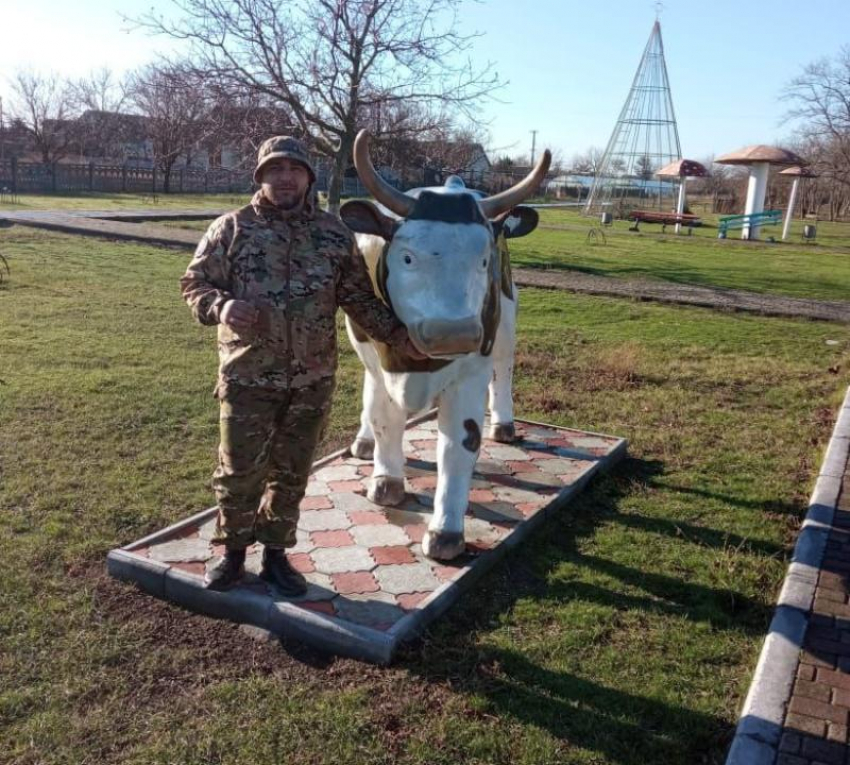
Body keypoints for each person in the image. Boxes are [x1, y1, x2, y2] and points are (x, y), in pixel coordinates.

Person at [181, 136, 420, 594]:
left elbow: (357, 298)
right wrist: (221, 306)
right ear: (260, 177)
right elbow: (193, 283)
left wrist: (401, 337)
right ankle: (232, 556)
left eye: (294, 169)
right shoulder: (231, 229)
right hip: (247, 376)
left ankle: (276, 556)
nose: (285, 177)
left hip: (311, 380)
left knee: (292, 472)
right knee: (238, 471)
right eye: (274, 169)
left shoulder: (332, 234)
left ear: (309, 177)